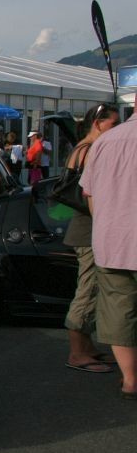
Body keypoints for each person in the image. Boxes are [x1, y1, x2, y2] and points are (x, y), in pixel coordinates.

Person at [79, 105, 137, 399]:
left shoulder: (105, 141)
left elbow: (89, 194)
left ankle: (130, 380)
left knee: (119, 311)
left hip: (112, 242)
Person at [64, 104, 120, 373]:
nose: (117, 129)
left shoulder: (82, 148)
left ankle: (86, 348)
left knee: (92, 288)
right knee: (88, 290)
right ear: (98, 124)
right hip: (89, 229)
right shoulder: (90, 150)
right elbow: (95, 192)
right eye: (113, 124)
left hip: (85, 228)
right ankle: (77, 353)